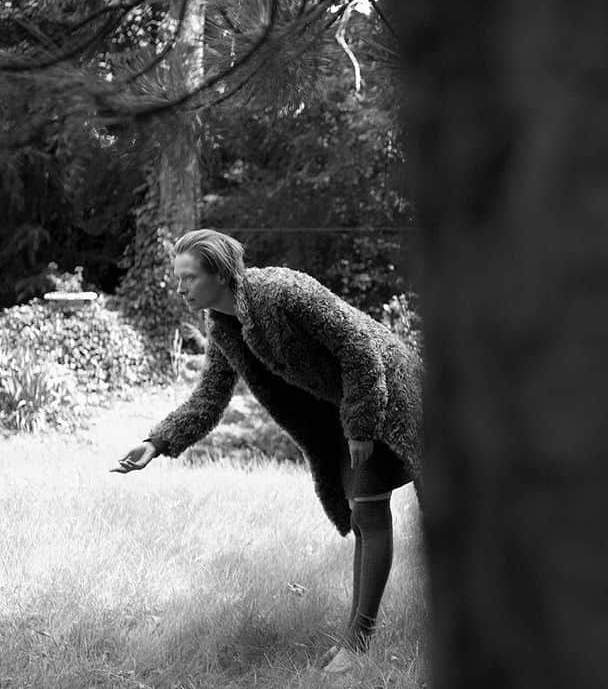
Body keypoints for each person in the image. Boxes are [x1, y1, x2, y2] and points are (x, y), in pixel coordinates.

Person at [112, 229, 422, 674]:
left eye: (189, 278)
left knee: (371, 513)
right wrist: (156, 443)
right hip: (343, 408)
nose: (180, 289)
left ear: (220, 273)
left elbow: (361, 346)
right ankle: (356, 640)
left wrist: (361, 424)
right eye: (178, 278)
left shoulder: (283, 291)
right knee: (362, 515)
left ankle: (357, 645)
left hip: (385, 392)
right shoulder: (221, 325)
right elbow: (209, 398)